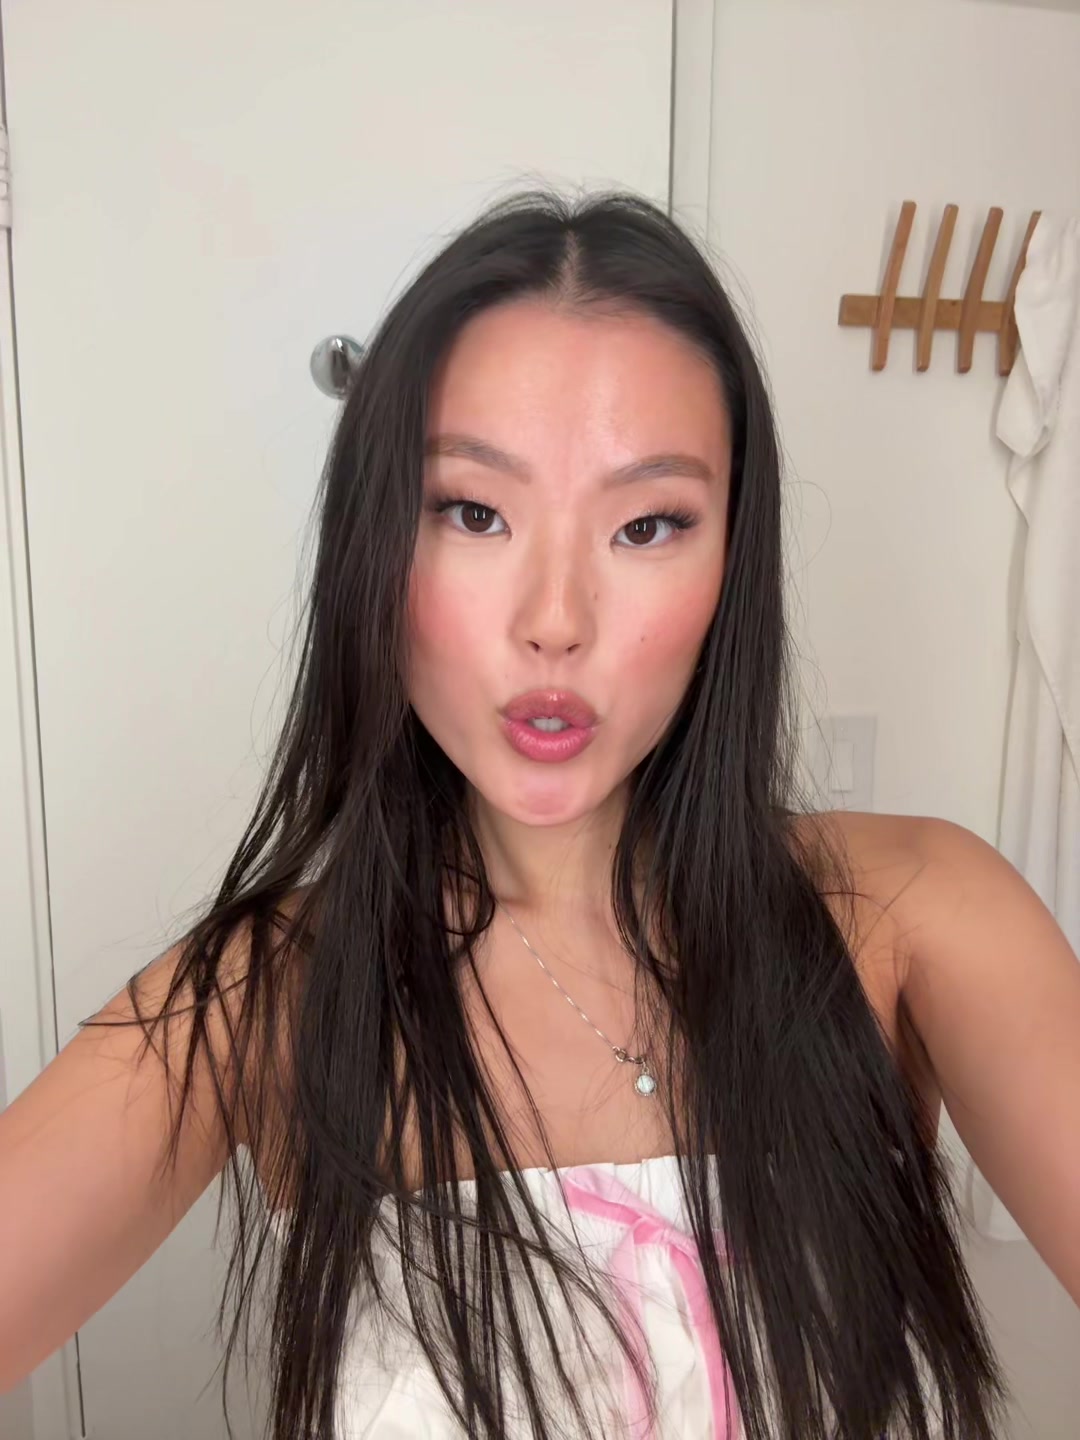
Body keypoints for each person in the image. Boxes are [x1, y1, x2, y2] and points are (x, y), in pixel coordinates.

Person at [2, 189, 1078, 1440]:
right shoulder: (265, 1001)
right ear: (375, 544)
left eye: (647, 525)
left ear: (733, 560)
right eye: (474, 513)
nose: (555, 619)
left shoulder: (916, 919)